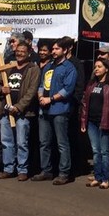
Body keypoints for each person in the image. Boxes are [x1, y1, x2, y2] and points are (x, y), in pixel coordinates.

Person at [35, 38, 78, 185]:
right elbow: (41, 84)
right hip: (44, 110)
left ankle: (64, 173)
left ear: (65, 50)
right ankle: (46, 170)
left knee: (62, 143)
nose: (53, 51)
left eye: (56, 49)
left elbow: (67, 90)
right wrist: (40, 96)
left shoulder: (69, 68)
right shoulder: (48, 67)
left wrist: (51, 99)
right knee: (44, 142)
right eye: (52, 49)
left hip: (59, 110)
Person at [0, 41, 41, 180]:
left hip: (23, 112)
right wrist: (1, 90)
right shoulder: (9, 67)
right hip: (6, 110)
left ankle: (22, 170)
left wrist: (19, 107)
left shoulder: (33, 69)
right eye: (18, 51)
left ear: (28, 53)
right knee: (6, 141)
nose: (20, 53)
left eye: (23, 51)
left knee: (22, 142)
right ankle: (8, 168)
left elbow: (32, 91)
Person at [79, 58, 109, 189]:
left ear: (106, 69)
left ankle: (106, 178)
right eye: (95, 67)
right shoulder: (91, 84)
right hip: (91, 122)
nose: (96, 69)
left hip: (106, 122)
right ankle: (97, 177)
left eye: (99, 66)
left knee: (105, 151)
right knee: (95, 151)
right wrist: (83, 121)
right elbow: (85, 104)